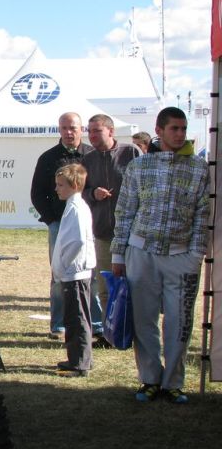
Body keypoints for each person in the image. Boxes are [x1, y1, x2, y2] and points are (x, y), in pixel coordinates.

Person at [111, 107, 210, 404]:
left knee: (179, 323)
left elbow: (202, 215)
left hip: (181, 256)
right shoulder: (139, 167)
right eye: (174, 129)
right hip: (141, 253)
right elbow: (125, 211)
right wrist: (119, 254)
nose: (180, 134)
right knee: (144, 321)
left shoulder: (198, 167)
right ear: (160, 130)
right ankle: (150, 379)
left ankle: (174, 382)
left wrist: (195, 255)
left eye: (183, 129)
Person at [30, 112, 96, 340]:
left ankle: (94, 323)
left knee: (89, 273)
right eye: (65, 128)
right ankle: (58, 324)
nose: (69, 132)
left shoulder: (91, 155)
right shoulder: (48, 158)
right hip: (59, 224)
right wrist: (52, 220)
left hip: (88, 223)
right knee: (59, 273)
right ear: (59, 129)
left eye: (73, 128)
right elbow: (37, 194)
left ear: (81, 129)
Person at [81, 114, 139, 317]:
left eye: (97, 131)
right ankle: (111, 330)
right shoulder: (88, 158)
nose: (92, 136)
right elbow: (81, 191)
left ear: (111, 131)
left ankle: (132, 330)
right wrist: (93, 194)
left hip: (132, 234)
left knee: (133, 285)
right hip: (103, 233)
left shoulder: (130, 153)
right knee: (106, 288)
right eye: (90, 131)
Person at [51, 164, 96, 377]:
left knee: (76, 318)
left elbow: (76, 240)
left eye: (61, 185)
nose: (56, 189)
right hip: (75, 271)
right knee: (77, 316)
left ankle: (79, 363)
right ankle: (80, 358)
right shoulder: (74, 205)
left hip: (75, 272)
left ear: (74, 185)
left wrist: (63, 264)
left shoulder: (76, 208)